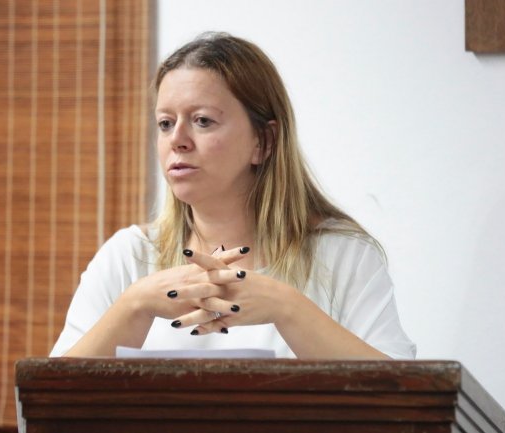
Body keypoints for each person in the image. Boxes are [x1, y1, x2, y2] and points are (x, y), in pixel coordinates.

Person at [50, 32, 416, 360]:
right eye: (165, 123)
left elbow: (403, 398)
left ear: (264, 141)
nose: (177, 140)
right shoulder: (128, 257)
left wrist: (287, 307)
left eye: (202, 120)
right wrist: (134, 305)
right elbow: (45, 402)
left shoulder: (345, 256)